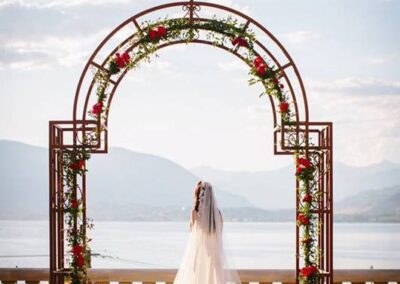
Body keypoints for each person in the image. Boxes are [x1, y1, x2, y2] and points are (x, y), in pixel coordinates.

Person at [173, 181, 241, 284]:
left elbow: (193, 242)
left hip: (199, 261)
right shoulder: (218, 215)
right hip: (215, 262)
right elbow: (219, 241)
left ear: (198, 195)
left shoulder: (194, 214)